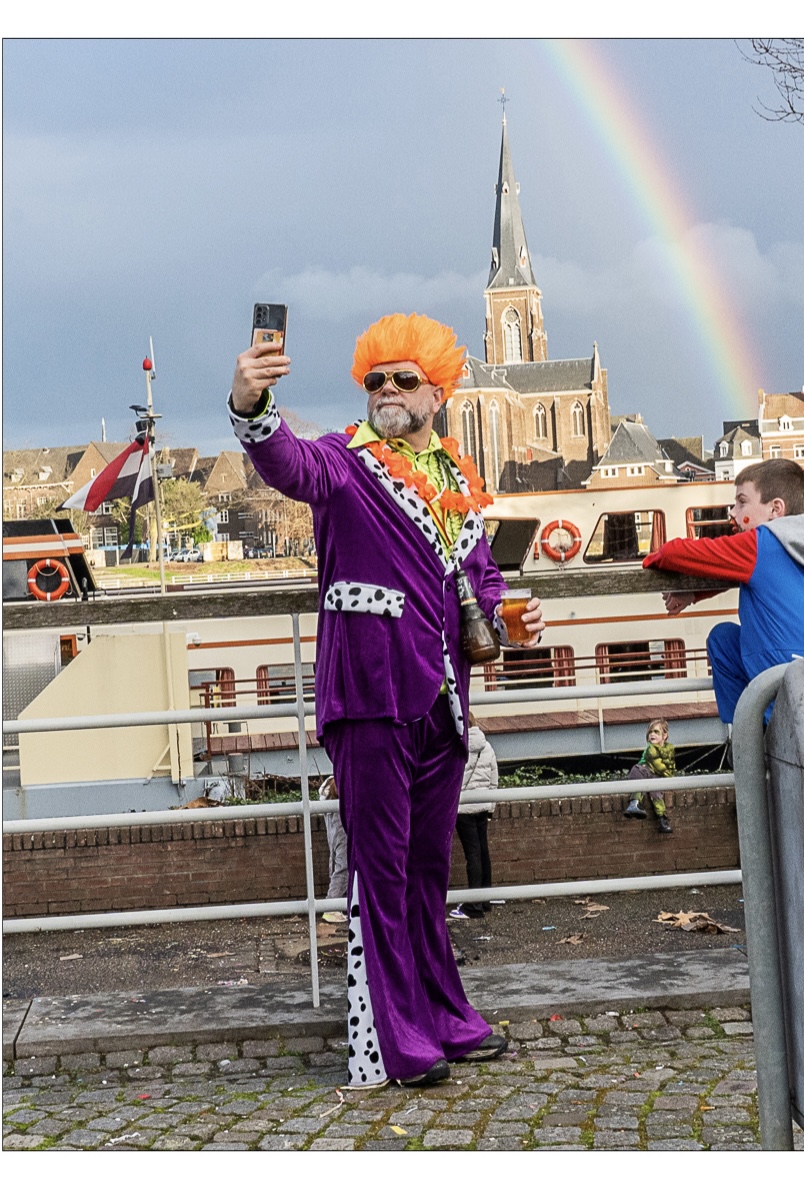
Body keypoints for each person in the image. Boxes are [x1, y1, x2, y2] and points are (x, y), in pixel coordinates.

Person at [228, 312, 544, 1089]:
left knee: (428, 867)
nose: (390, 391)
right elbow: (286, 464)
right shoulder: (345, 462)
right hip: (368, 695)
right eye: (377, 379)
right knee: (380, 869)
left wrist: (508, 617)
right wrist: (249, 405)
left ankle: (444, 1014)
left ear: (438, 392)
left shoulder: (451, 479)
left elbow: (480, 579)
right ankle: (393, 1039)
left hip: (441, 700)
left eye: (406, 379)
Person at [643, 458, 804, 726]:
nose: (733, 512)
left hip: (783, 676)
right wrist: (694, 595)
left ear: (774, 509)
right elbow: (760, 574)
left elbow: (679, 553)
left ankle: (747, 735)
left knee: (721, 641)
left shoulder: (761, 542)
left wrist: (652, 558)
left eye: (742, 502)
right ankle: (745, 731)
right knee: (723, 638)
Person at [450, 714, 498, 918]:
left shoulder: (458, 748)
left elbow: (453, 780)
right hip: (483, 805)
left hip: (464, 809)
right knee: (483, 851)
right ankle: (485, 899)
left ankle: (474, 906)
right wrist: (491, 807)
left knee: (473, 854)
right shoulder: (487, 747)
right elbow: (494, 777)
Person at [623, 719, 675, 834]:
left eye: (656, 732)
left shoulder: (668, 749)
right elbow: (657, 764)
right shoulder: (650, 749)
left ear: (664, 735)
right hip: (645, 771)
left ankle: (662, 818)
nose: (652, 734)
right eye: (650, 732)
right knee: (637, 772)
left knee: (656, 791)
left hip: (656, 775)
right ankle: (635, 803)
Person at [319, 776, 348, 923]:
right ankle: (332, 905)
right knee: (344, 864)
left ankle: (334, 905)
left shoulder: (329, 784)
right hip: (342, 821)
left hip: (332, 820)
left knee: (336, 858)